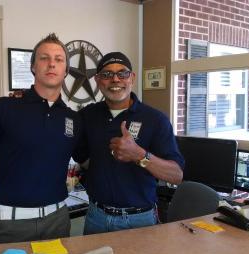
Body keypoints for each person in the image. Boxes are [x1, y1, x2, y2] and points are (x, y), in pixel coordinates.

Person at [0, 33, 81, 245]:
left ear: (66, 70)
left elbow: (87, 160)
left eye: (58, 59)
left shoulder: (72, 119)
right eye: (44, 58)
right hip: (10, 225)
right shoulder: (4, 108)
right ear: (33, 67)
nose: (51, 64)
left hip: (57, 222)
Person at [73, 52, 184, 235]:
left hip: (139, 220)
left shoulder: (155, 119)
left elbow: (176, 175)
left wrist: (140, 155)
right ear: (98, 80)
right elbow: (81, 154)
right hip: (95, 216)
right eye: (107, 74)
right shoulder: (87, 116)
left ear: (131, 78)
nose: (115, 79)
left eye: (122, 73)